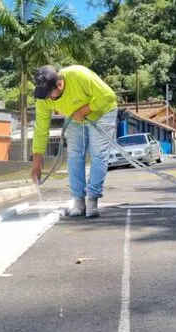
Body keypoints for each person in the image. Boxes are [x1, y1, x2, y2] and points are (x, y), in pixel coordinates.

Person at [31, 65, 118, 218]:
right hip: (74, 117)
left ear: (59, 84)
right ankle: (78, 200)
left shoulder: (79, 75)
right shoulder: (44, 98)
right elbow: (41, 130)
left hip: (103, 112)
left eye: (50, 94)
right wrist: (37, 164)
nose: (48, 98)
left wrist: (83, 111)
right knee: (74, 155)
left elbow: (108, 95)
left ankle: (92, 199)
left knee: (98, 155)